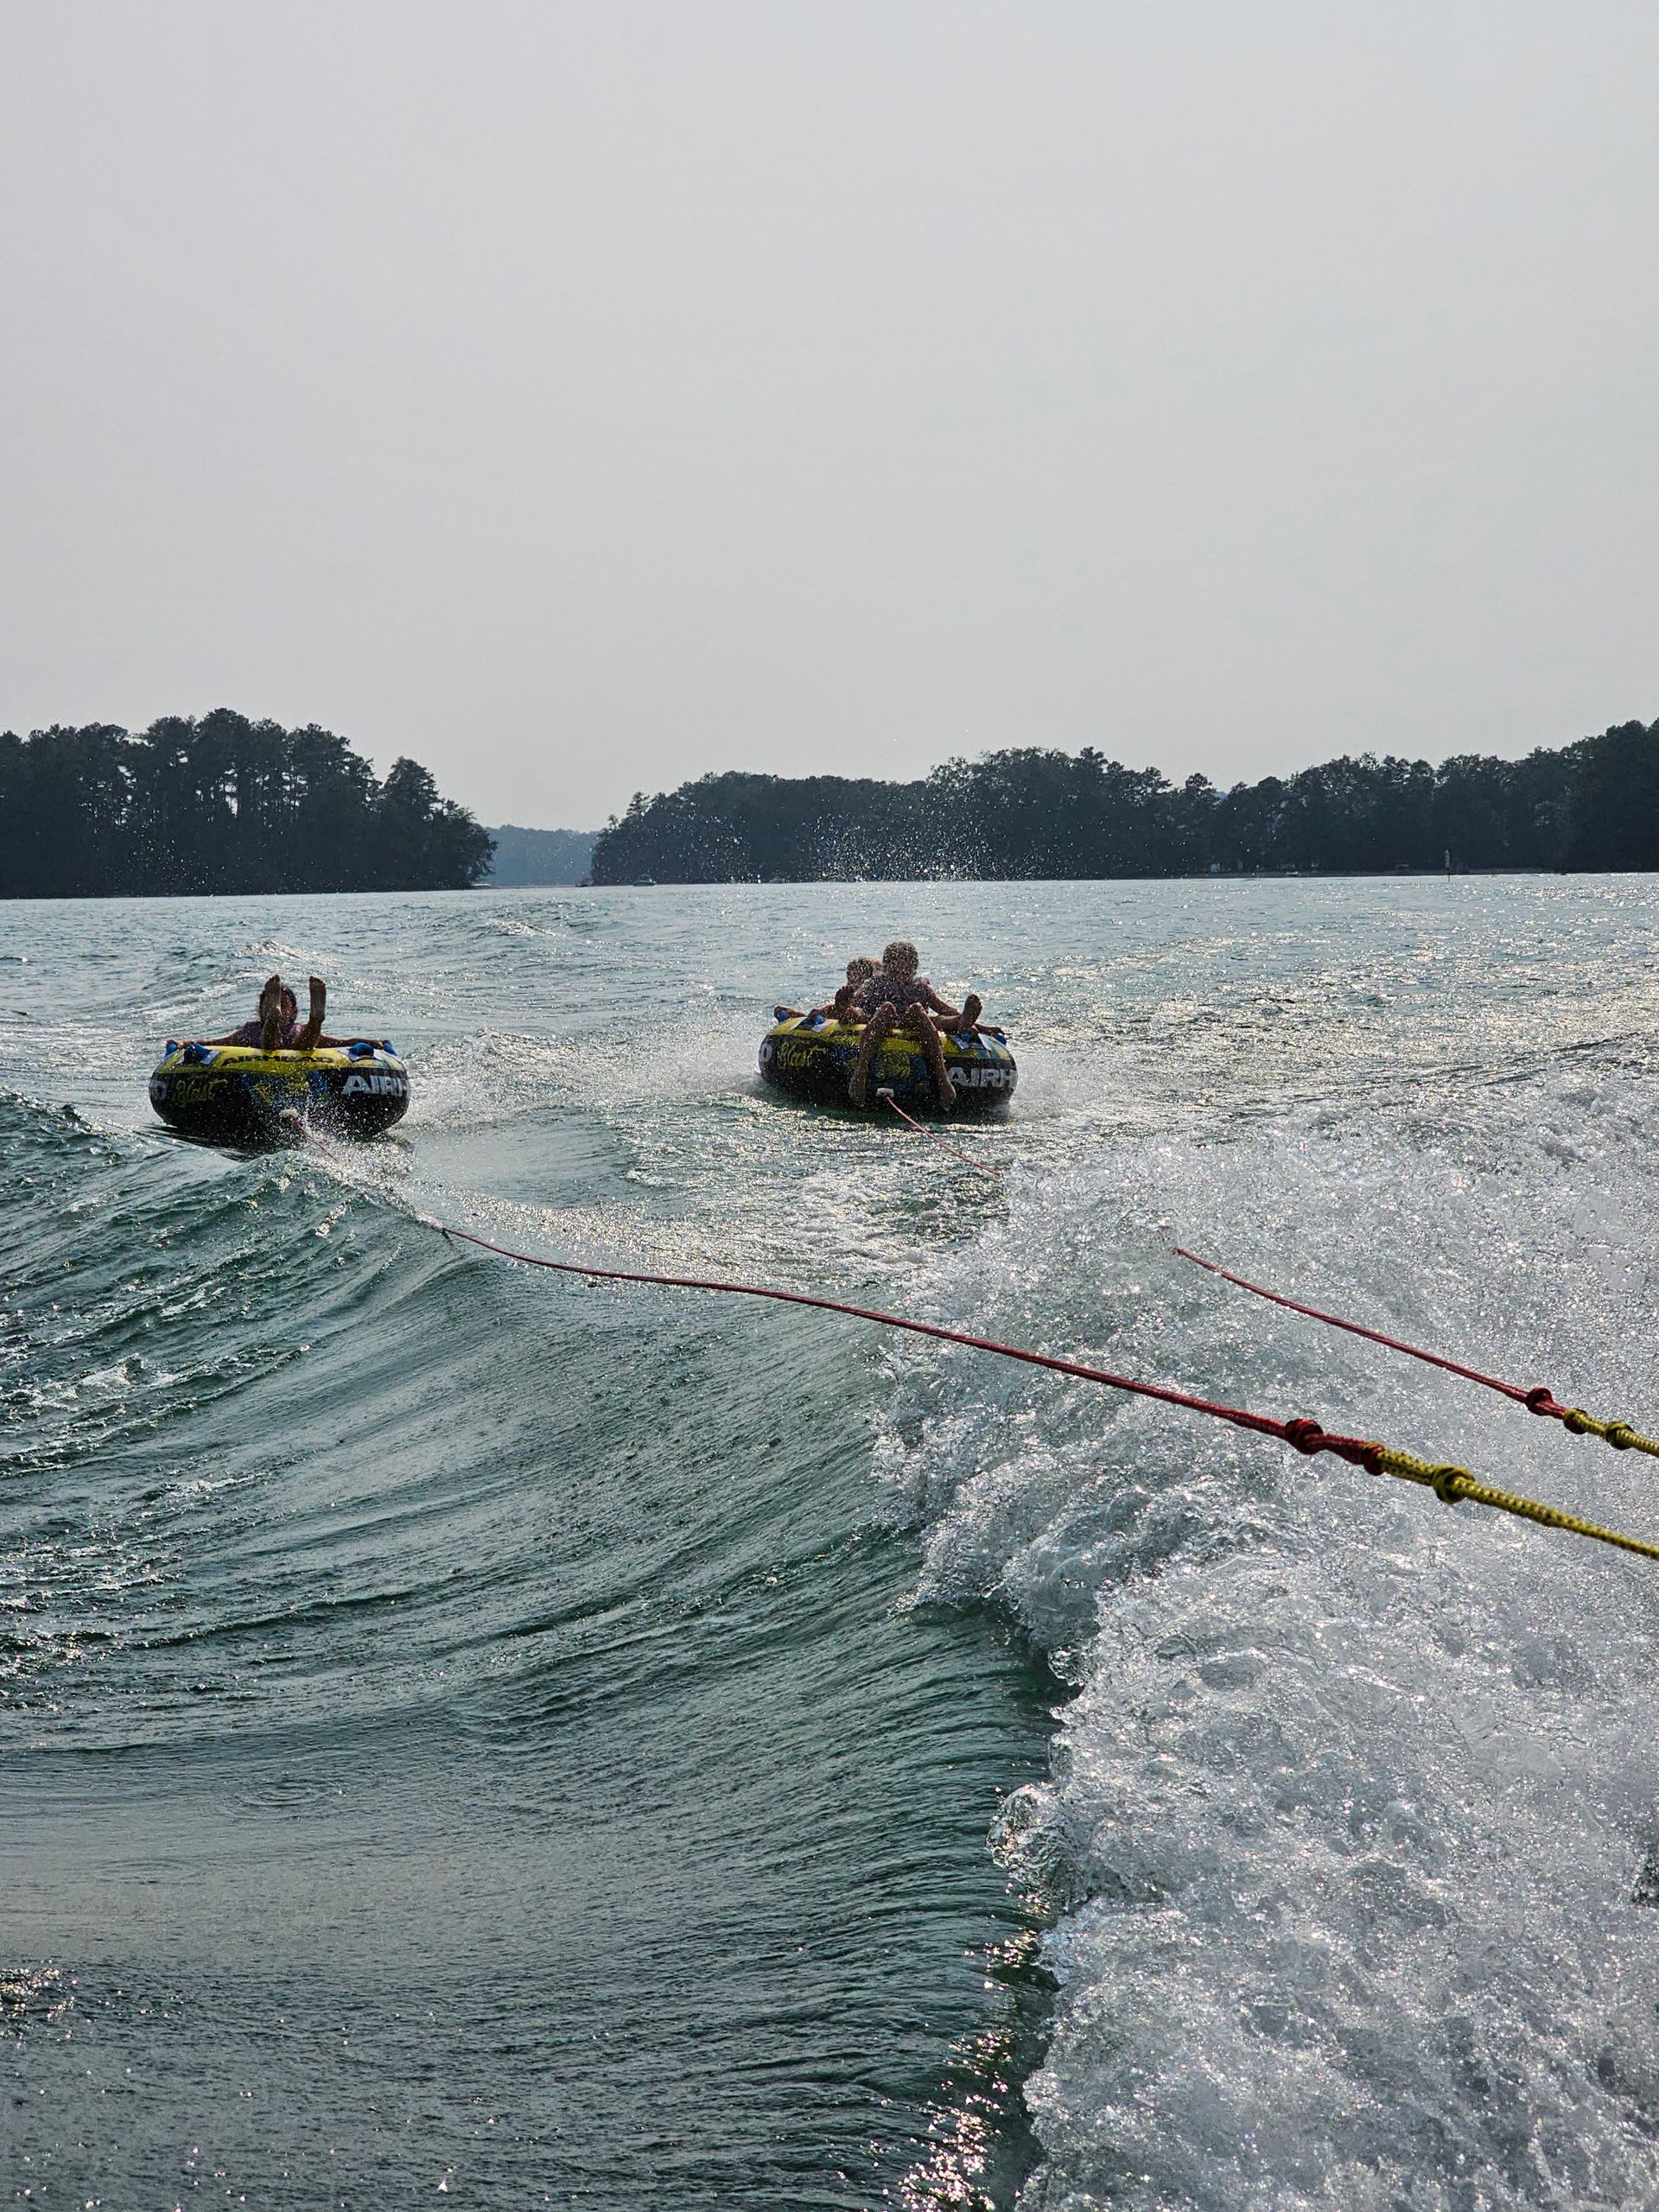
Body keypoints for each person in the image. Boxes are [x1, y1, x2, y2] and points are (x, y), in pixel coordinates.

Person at [849, 941, 985, 1112]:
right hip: (881, 1022)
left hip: (912, 1024)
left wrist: (976, 1025)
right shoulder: (874, 984)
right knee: (887, 1008)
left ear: (915, 966)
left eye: (906, 962)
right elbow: (853, 1006)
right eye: (895, 962)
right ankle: (860, 1073)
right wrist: (842, 1007)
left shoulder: (920, 987)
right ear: (886, 965)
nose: (901, 967)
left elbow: (945, 1009)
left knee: (919, 1010)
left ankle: (943, 1079)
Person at [207, 973, 340, 1053]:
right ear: (260, 1009)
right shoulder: (249, 1031)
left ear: (294, 1012)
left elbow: (214, 1044)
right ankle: (315, 1020)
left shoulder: (301, 1030)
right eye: (274, 1006)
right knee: (295, 1046)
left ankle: (314, 1019)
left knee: (300, 1045)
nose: (282, 1012)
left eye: (283, 1006)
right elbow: (215, 1044)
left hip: (293, 1050)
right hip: (287, 1050)